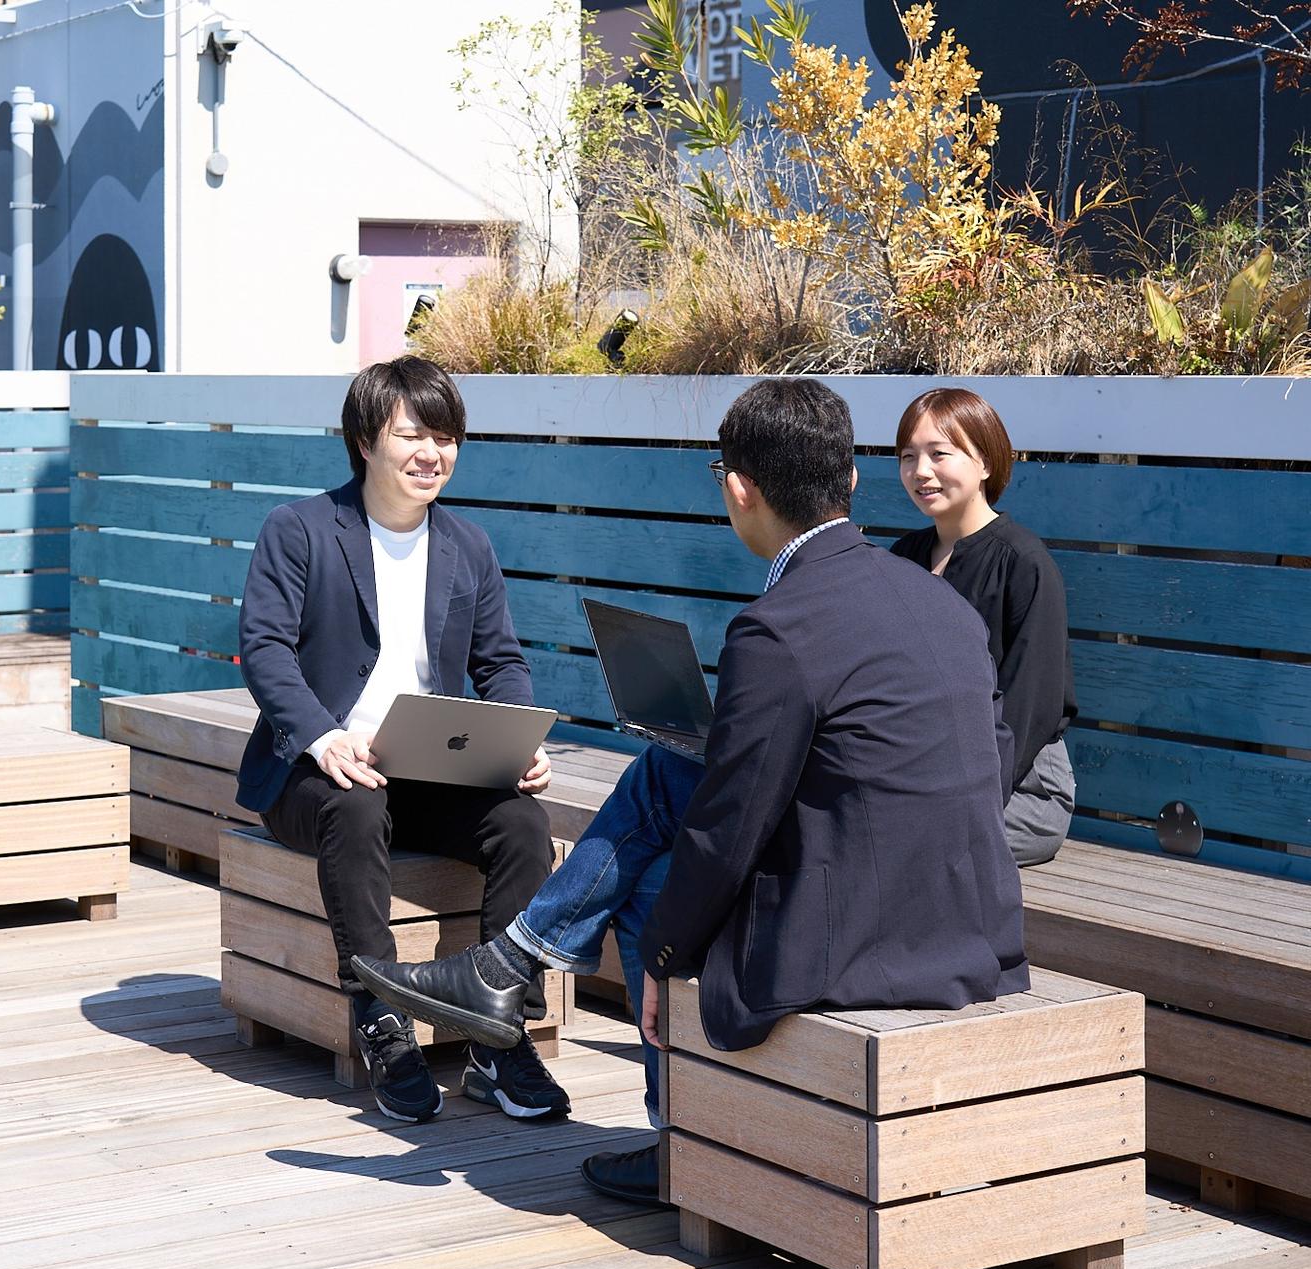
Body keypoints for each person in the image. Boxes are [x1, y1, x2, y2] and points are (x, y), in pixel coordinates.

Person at [355, 378, 1030, 1202]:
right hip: (970, 921)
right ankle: (513, 966)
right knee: (673, 771)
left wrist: (668, 959)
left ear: (738, 489)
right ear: (851, 479)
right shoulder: (938, 601)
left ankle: (671, 1131)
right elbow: (982, 754)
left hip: (863, 936)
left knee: (652, 888)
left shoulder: (780, 627)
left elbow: (730, 830)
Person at [235, 356, 566, 1125]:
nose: (431, 454)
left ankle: (499, 1035)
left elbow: (500, 662)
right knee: (354, 808)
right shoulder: (300, 530)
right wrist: (323, 738)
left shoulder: (468, 545)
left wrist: (514, 739)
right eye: (412, 435)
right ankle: (381, 1020)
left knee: (523, 824)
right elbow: (264, 649)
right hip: (316, 773)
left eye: (445, 438)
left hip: (427, 768)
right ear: (364, 441)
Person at [891, 387, 1077, 866]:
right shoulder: (903, 558)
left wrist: (963, 795)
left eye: (939, 454)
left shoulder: (1023, 563)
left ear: (986, 462)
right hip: (922, 773)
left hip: (1020, 786)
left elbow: (1031, 707)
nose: (921, 471)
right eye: (908, 457)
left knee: (907, 842)